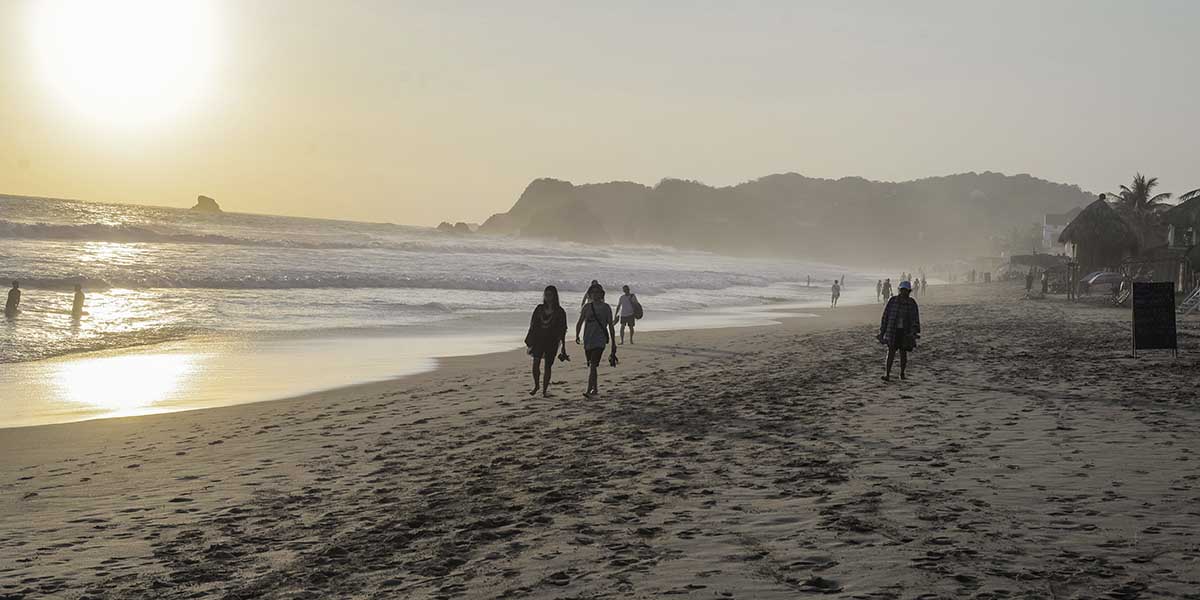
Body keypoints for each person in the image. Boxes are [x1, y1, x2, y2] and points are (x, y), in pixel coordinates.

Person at [524, 285, 568, 397]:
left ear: (554, 296)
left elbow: (563, 328)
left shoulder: (560, 311)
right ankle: (536, 385)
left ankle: (544, 390)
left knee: (548, 365)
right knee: (535, 363)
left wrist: (563, 345)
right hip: (538, 339)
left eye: (550, 295)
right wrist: (530, 338)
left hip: (552, 341)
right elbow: (532, 324)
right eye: (546, 295)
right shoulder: (539, 308)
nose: (548, 297)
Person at [575, 286, 616, 397]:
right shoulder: (586, 307)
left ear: (602, 294)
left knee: (593, 365)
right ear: (590, 294)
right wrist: (577, 335)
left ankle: (589, 390)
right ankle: (596, 389)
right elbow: (580, 322)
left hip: (600, 340)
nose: (595, 294)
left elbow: (611, 326)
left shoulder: (606, 308)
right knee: (592, 365)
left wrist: (614, 343)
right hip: (588, 340)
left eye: (598, 292)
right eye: (593, 292)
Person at [878, 280, 921, 382]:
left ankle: (902, 373)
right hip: (892, 331)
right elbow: (886, 316)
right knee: (891, 353)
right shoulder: (892, 301)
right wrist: (882, 332)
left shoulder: (911, 303)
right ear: (899, 290)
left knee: (903, 353)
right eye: (902, 290)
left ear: (909, 291)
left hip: (905, 332)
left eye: (906, 290)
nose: (904, 292)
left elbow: (915, 319)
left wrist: (914, 333)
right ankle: (887, 374)